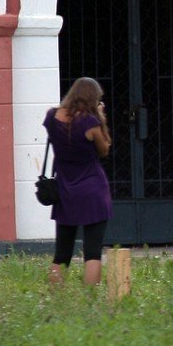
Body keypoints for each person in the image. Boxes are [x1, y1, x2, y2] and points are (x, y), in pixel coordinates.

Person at [43, 77, 113, 285]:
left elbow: (60, 130)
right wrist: (99, 116)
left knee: (61, 253)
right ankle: (89, 299)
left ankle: (55, 297)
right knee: (92, 253)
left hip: (65, 189)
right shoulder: (91, 123)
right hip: (93, 189)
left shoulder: (51, 117)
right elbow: (104, 151)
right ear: (93, 99)